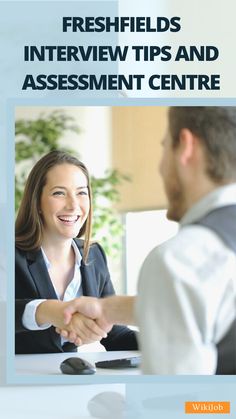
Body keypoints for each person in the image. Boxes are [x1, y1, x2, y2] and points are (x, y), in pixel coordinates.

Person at [58, 107, 236, 374]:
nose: (160, 167)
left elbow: (179, 406)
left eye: (164, 148)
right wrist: (108, 309)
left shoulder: (178, 260)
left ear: (186, 147)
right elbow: (208, 304)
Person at [15, 150, 138, 354]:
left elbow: (115, 334)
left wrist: (164, 343)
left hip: (70, 379)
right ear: (37, 202)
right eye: (59, 193)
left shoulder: (94, 255)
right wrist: (50, 311)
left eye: (81, 192)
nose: (73, 205)